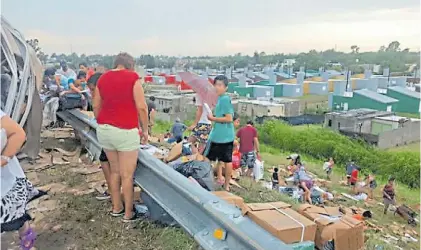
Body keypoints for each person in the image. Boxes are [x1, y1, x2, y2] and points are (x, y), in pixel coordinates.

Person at [93, 52, 149, 222]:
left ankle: (116, 207)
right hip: (125, 131)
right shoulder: (133, 78)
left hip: (104, 130)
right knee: (127, 175)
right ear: (130, 65)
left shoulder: (102, 79)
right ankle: (128, 213)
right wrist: (145, 130)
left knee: (115, 170)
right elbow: (142, 108)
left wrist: (102, 121)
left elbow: (96, 104)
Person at [1, 109, 40, 249]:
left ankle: (27, 243)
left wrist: (3, 159)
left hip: (6, 185)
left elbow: (18, 134)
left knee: (17, 219)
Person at [205, 75, 235, 191]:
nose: (217, 87)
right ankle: (222, 183)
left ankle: (221, 184)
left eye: (220, 85)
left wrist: (213, 119)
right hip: (221, 135)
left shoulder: (225, 99)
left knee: (211, 159)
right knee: (223, 160)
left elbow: (229, 118)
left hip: (222, 137)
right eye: (215, 85)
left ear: (226, 87)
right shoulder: (221, 99)